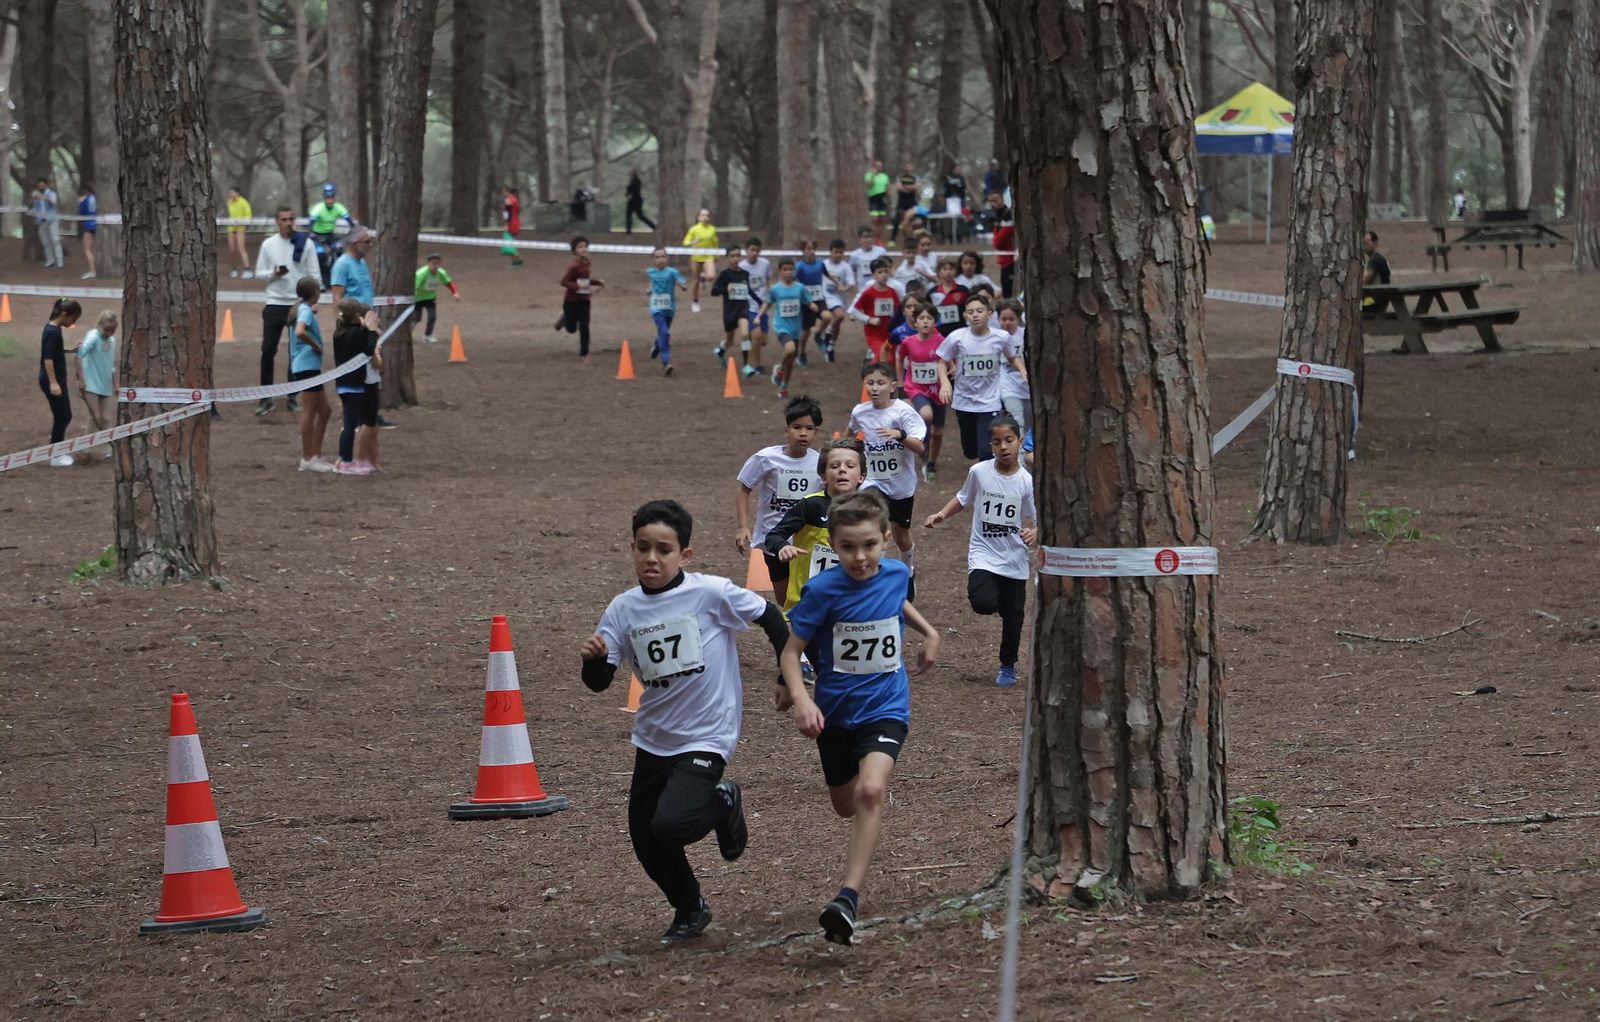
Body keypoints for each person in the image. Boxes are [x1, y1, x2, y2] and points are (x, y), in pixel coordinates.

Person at [580, 499, 791, 945]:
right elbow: (599, 682)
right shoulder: (622, 609)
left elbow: (772, 618)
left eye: (664, 550)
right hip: (655, 737)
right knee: (645, 837)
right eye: (643, 548)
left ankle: (723, 801)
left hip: (708, 733)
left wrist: (786, 676)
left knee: (671, 824)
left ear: (685, 555)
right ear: (632, 549)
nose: (652, 558)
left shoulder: (710, 593)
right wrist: (594, 661)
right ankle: (690, 907)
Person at [779, 489, 941, 944]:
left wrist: (930, 633)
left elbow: (897, 602)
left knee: (871, 790)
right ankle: (864, 819)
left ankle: (847, 898)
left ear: (886, 538)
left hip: (886, 707)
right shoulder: (822, 590)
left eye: (869, 545)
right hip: (834, 713)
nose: (860, 557)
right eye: (848, 547)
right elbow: (791, 652)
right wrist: (801, 698)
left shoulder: (896, 573)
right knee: (845, 804)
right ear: (833, 544)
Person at [923, 414, 1035, 688]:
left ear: (1020, 441)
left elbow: (1036, 518)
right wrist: (941, 514)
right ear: (990, 445)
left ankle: (1007, 666)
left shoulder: (1026, 481)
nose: (1003, 447)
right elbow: (963, 498)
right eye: (997, 442)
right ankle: (996, 599)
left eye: (1009, 440)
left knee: (1014, 618)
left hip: (1014, 558)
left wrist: (1034, 532)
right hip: (983, 553)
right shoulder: (979, 472)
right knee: (982, 602)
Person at [848, 362, 928, 598]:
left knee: (901, 535)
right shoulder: (860, 412)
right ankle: (874, 574)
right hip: (872, 481)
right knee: (872, 521)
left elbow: (920, 448)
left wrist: (900, 435)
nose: (874, 388)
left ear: (893, 386)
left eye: (880, 383)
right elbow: (850, 434)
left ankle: (908, 570)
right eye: (870, 383)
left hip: (901, 485)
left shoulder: (903, 412)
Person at [735, 395, 823, 606]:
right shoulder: (766, 458)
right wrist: (742, 526)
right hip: (774, 538)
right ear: (786, 430)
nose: (803, 433)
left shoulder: (820, 462)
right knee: (785, 601)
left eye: (809, 428)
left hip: (807, 541)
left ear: (816, 432)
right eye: (797, 427)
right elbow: (744, 489)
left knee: (810, 595)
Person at [764, 437, 866, 612]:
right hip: (808, 601)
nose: (842, 470)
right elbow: (773, 536)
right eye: (834, 466)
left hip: (850, 600)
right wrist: (782, 547)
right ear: (823, 477)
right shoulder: (810, 505)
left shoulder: (869, 509)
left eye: (850, 466)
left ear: (861, 477)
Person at [937, 296, 1024, 461]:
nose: (975, 315)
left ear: (989, 313)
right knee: (970, 451)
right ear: (965, 316)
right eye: (970, 312)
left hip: (990, 402)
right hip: (963, 401)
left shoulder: (1001, 337)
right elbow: (941, 362)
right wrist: (945, 383)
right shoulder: (957, 337)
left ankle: (987, 474)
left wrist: (1023, 371)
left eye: (979, 311)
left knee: (986, 452)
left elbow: (1013, 358)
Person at [254, 206, 321, 417]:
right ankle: (265, 397)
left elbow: (315, 275)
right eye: (284, 219)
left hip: (298, 304)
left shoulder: (306, 244)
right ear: (277, 222)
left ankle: (293, 396)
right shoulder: (268, 245)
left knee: (296, 353)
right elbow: (259, 273)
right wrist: (274, 273)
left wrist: (313, 301)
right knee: (268, 350)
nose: (288, 223)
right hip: (274, 302)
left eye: (291, 219)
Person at [895, 306, 948, 481]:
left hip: (937, 389)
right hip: (916, 387)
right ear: (915, 322)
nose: (925, 321)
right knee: (926, 415)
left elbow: (948, 359)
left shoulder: (941, 341)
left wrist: (952, 369)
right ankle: (922, 445)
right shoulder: (908, 342)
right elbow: (899, 358)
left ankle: (931, 461)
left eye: (929, 318)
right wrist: (901, 383)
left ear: (935, 322)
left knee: (938, 432)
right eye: (922, 318)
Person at [332, 300, 382, 475]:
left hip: (343, 383)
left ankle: (342, 460)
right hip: (353, 384)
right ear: (355, 315)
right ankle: (346, 462)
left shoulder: (340, 332)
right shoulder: (355, 333)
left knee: (349, 423)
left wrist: (367, 329)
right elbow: (368, 350)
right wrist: (371, 330)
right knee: (350, 424)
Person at [290, 276, 335, 473]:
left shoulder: (303, 309)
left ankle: (316, 454)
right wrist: (316, 346)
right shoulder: (305, 311)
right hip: (306, 366)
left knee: (325, 411)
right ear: (314, 292)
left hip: (309, 367)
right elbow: (300, 332)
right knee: (309, 412)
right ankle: (307, 458)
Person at [762, 258, 814, 398]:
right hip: (781, 326)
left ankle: (784, 386)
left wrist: (813, 306)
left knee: (791, 360)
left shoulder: (800, 288)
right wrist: (759, 316)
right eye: (785, 269)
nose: (788, 272)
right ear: (780, 271)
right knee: (790, 349)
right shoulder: (775, 289)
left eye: (791, 269)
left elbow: (807, 300)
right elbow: (768, 303)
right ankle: (779, 367)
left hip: (795, 328)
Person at [38, 298, 81, 465]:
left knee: (63, 415)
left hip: (57, 379)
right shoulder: (52, 332)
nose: (73, 323)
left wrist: (69, 350)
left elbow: (53, 351)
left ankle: (56, 442)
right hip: (53, 380)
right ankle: (56, 455)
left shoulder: (53, 329)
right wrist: (53, 382)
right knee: (63, 416)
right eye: (73, 319)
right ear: (64, 314)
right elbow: (47, 359)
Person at [847, 257, 904, 365]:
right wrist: (869, 320)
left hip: (889, 332)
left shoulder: (893, 292)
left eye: (886, 271)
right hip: (874, 333)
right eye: (880, 272)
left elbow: (897, 310)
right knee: (886, 359)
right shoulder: (868, 293)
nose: (884, 275)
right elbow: (854, 311)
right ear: (873, 275)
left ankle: (870, 365)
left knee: (892, 361)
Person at [72, 310, 117, 444]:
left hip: (105, 383)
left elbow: (111, 363)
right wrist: (81, 379)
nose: (109, 333)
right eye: (107, 330)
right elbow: (79, 355)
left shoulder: (112, 340)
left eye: (112, 330)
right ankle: (85, 447)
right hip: (90, 383)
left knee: (105, 418)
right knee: (94, 417)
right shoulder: (93, 337)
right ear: (100, 325)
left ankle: (110, 447)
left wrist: (115, 384)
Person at [557, 235, 605, 360]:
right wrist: (578, 286)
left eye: (585, 246)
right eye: (580, 247)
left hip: (584, 300)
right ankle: (565, 318)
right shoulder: (573, 266)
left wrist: (596, 282)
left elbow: (585, 280)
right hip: (571, 301)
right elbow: (564, 282)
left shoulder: (587, 262)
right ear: (574, 250)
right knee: (571, 329)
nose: (584, 249)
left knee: (584, 326)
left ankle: (584, 352)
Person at [645, 246, 689, 375]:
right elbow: (651, 282)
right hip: (656, 306)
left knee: (663, 332)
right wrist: (649, 289)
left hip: (669, 307)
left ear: (667, 258)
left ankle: (657, 345)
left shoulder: (672, 272)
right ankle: (666, 362)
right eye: (657, 257)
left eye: (663, 257)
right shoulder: (651, 272)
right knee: (664, 332)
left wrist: (682, 285)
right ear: (653, 259)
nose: (660, 260)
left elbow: (680, 281)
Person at [709, 245, 751, 369]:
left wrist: (760, 302)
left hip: (743, 309)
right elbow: (714, 291)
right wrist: (725, 289)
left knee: (745, 334)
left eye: (738, 256)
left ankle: (746, 365)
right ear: (727, 258)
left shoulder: (745, 274)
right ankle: (721, 349)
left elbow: (749, 291)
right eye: (732, 256)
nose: (735, 259)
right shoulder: (725, 274)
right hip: (730, 311)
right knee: (730, 341)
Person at [815, 238, 857, 360]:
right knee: (838, 316)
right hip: (824, 296)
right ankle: (822, 333)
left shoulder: (845, 267)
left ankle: (830, 345)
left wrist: (844, 288)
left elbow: (851, 283)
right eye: (836, 252)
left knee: (838, 320)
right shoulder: (823, 264)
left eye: (841, 252)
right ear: (830, 252)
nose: (838, 255)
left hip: (838, 297)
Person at [738, 239, 773, 378]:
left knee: (763, 341)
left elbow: (768, 280)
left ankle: (751, 340)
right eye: (752, 250)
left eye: (757, 250)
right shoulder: (741, 266)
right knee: (757, 337)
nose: (754, 253)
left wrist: (770, 296)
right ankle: (757, 365)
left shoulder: (765, 264)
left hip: (762, 306)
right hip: (748, 306)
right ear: (746, 250)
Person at [995, 298, 1030, 433]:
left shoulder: (1026, 335)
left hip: (1027, 386)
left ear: (1018, 319)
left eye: (1011, 319)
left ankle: (1029, 446)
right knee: (1017, 421)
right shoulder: (995, 337)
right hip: (1009, 387)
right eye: (1004, 319)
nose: (1007, 323)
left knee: (1030, 424)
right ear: (998, 319)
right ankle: (1019, 447)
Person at [308, 182, 353, 286]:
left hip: (330, 235)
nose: (330, 200)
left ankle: (335, 279)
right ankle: (320, 281)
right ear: (324, 198)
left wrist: (353, 230)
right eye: (327, 197)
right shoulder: (319, 208)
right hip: (317, 236)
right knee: (320, 254)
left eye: (331, 197)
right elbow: (310, 224)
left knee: (339, 250)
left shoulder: (338, 207)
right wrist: (311, 234)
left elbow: (350, 221)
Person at [794, 240, 828, 368]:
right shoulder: (799, 266)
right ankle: (802, 353)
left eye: (813, 249)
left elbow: (827, 274)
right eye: (808, 249)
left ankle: (818, 335)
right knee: (806, 332)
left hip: (819, 298)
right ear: (803, 251)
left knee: (827, 317)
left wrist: (838, 284)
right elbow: (793, 281)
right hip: (805, 301)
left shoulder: (820, 263)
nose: (812, 251)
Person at [413, 253, 461, 344]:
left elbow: (448, 283)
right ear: (429, 263)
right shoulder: (421, 274)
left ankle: (427, 336)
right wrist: (414, 292)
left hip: (430, 298)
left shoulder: (441, 273)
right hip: (417, 299)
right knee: (416, 319)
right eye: (434, 264)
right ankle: (407, 334)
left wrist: (455, 293)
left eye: (438, 264)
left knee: (432, 317)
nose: (436, 266)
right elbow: (415, 286)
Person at [682, 208, 720, 311]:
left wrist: (716, 254)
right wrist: (693, 242)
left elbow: (715, 243)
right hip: (696, 257)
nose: (705, 217)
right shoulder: (693, 229)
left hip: (708, 256)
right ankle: (695, 301)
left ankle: (705, 278)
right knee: (696, 282)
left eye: (707, 215)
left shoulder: (712, 229)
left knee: (711, 276)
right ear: (698, 217)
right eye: (702, 215)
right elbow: (685, 242)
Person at [925, 257, 970, 338]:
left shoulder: (963, 290)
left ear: (956, 271)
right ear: (939, 272)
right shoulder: (932, 292)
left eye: (951, 269)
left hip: (960, 331)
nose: (948, 272)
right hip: (939, 332)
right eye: (945, 269)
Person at [30, 178, 64, 269]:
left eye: (42, 185)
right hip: (41, 222)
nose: (41, 187)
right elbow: (34, 208)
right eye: (39, 186)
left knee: (55, 240)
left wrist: (40, 195)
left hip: (52, 221)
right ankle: (50, 261)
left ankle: (60, 262)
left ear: (46, 185)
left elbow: (53, 201)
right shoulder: (36, 197)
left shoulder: (52, 194)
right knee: (45, 242)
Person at [989, 195, 1017, 297]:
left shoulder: (1007, 214)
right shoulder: (996, 215)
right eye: (991, 201)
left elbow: (998, 242)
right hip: (1005, 261)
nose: (994, 203)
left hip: (1011, 261)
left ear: (1002, 199)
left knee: (1010, 293)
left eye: (996, 200)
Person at [226, 187, 253, 278]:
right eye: (230, 193)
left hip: (240, 228)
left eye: (232, 193)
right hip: (231, 228)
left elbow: (248, 216)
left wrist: (241, 221)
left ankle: (247, 269)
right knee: (232, 250)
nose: (230, 195)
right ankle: (234, 269)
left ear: (237, 193)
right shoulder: (229, 202)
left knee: (241, 248)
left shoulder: (244, 203)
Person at [891, 166, 919, 241]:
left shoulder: (915, 178)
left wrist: (905, 187)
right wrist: (910, 188)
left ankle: (912, 239)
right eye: (907, 168)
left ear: (912, 169)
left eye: (910, 168)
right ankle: (892, 240)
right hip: (901, 204)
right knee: (896, 222)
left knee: (913, 222)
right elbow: (899, 188)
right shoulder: (900, 177)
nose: (908, 169)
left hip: (912, 204)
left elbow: (915, 187)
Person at [864, 160, 891, 237]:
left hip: (882, 198)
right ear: (874, 166)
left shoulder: (885, 176)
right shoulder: (868, 175)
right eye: (877, 166)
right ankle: (872, 235)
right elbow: (869, 186)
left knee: (882, 219)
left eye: (880, 166)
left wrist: (888, 198)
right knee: (874, 219)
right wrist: (873, 175)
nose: (879, 168)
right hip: (874, 198)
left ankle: (879, 238)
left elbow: (887, 188)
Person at [77, 184, 98, 280]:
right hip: (94, 224)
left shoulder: (86, 199)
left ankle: (93, 272)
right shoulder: (95, 198)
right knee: (91, 249)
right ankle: (93, 270)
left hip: (88, 225)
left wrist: (80, 202)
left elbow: (81, 213)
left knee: (87, 249)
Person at [501, 185, 524, 268]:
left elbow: (508, 214)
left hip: (511, 224)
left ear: (506, 191)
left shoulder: (508, 200)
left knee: (509, 243)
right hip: (516, 222)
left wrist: (506, 224)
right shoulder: (515, 199)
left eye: (503, 191)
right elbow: (518, 210)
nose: (502, 193)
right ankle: (515, 261)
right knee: (510, 242)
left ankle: (517, 259)